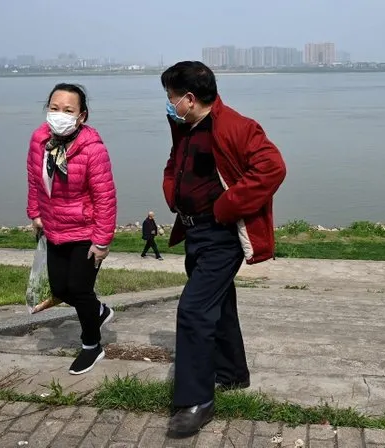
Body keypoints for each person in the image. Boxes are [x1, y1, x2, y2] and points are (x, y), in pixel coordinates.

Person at [160, 61, 287, 438]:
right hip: (195, 232)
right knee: (219, 305)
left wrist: (227, 207)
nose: (168, 104)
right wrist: (171, 190)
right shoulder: (185, 126)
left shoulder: (235, 126)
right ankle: (232, 373)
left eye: (171, 97)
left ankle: (197, 401)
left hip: (222, 236)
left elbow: (272, 168)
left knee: (194, 309)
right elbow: (176, 165)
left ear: (188, 98)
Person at [26, 83, 118, 375]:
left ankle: (92, 346)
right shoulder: (40, 141)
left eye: (68, 110)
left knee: (79, 289)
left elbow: (105, 198)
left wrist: (102, 242)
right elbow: (34, 180)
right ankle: (100, 312)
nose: (59, 115)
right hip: (53, 228)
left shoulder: (93, 150)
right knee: (60, 289)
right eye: (54, 108)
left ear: (82, 117)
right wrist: (35, 213)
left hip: (85, 232)